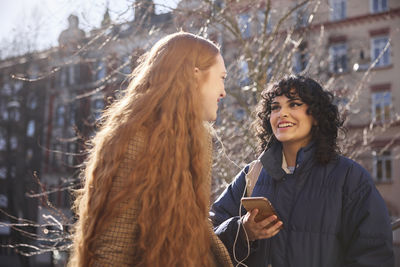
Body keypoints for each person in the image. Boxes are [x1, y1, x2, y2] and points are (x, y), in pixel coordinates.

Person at [68, 32, 233, 267]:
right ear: (195, 76)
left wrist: (244, 230)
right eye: (222, 78)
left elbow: (197, 226)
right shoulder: (132, 138)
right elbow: (111, 247)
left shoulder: (200, 139)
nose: (224, 91)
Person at [210, 75, 394, 267]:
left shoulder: (350, 177)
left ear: (315, 116)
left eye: (294, 104)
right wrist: (242, 231)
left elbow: (375, 255)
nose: (282, 113)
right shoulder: (252, 174)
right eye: (275, 107)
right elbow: (209, 237)